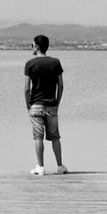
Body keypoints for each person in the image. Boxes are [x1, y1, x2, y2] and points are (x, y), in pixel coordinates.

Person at [24, 34, 66, 175]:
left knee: (38, 137)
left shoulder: (30, 64)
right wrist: (57, 102)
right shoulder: (55, 63)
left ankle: (40, 167)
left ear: (37, 46)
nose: (32, 47)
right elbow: (61, 85)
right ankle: (60, 166)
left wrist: (28, 105)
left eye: (32, 45)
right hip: (52, 105)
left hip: (36, 105)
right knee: (55, 137)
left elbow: (27, 88)